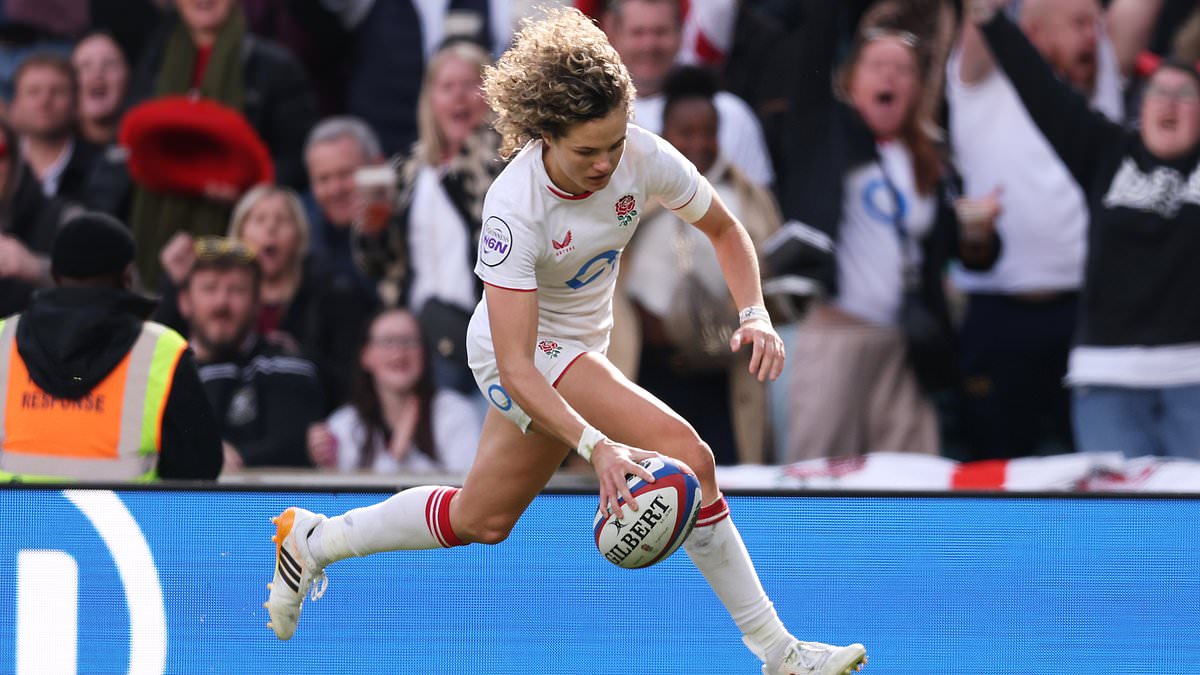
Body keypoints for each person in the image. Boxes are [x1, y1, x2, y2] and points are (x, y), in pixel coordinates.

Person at [262, 9, 867, 675]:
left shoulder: (642, 155)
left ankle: (314, 541)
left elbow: (724, 230)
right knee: (690, 456)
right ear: (546, 134)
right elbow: (519, 364)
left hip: (578, 347)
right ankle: (781, 653)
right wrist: (597, 446)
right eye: (587, 151)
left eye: (614, 143)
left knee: (481, 519)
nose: (606, 163)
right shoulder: (513, 208)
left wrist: (754, 312)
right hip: (516, 353)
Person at [763, 0, 1000, 460]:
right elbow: (813, 50)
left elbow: (956, 254)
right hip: (837, 337)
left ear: (917, 87)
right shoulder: (823, 135)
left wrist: (980, 237)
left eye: (903, 69)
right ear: (851, 80)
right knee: (821, 475)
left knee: (909, 476)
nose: (889, 76)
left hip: (903, 346)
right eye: (877, 66)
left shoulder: (929, 160)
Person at [968, 1, 1200, 459]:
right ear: (1141, 107)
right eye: (1158, 92)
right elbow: (1040, 87)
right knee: (1117, 506)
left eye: (1187, 95)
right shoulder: (1106, 151)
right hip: (1107, 378)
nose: (1170, 102)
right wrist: (991, 19)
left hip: (1192, 378)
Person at [621, 65, 781, 465]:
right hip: (649, 372)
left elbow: (770, 276)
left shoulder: (746, 198)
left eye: (709, 131)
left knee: (723, 473)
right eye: (686, 132)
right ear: (664, 134)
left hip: (722, 375)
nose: (699, 143)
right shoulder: (632, 194)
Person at [0, 212, 222, 481]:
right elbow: (201, 471)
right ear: (127, 276)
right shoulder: (163, 352)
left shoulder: (3, 339)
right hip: (124, 511)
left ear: (55, 275)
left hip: (16, 510)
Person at [126, 0, 318, 286]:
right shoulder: (154, 59)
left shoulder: (274, 66)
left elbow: (297, 155)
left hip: (238, 233)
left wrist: (249, 192)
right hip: (158, 219)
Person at [353, 39, 502, 396]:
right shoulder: (408, 170)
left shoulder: (504, 161)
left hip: (486, 333)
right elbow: (379, 266)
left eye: (470, 85)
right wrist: (371, 233)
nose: (459, 97)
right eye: (447, 87)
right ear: (430, 100)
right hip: (417, 337)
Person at [158, 185, 374, 410]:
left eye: (282, 220)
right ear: (239, 234)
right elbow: (164, 350)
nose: (270, 229)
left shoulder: (332, 295)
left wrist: (302, 357)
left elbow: (352, 379)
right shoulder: (212, 297)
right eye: (259, 220)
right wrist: (173, 284)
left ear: (300, 236)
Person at [179, 236, 325, 470]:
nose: (222, 303)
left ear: (258, 303)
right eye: (209, 288)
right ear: (185, 302)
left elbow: (292, 444)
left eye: (237, 290)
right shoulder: (162, 372)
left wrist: (236, 457)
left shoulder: (286, 364)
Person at [602, 0, 775, 188]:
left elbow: (757, 200)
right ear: (614, 35)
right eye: (638, 32)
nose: (649, 45)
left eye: (661, 32)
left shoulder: (730, 114)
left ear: (681, 33)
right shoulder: (597, 115)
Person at [307, 308, 482, 474]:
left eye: (409, 341)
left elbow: (467, 488)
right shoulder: (344, 425)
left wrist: (402, 455)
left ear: (425, 354)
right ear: (365, 355)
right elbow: (341, 495)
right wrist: (329, 468)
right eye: (387, 342)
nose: (399, 353)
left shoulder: (456, 413)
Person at [0, 117, 78, 318]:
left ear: (16, 159)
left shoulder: (64, 219)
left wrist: (36, 268)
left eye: (0, 152)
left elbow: (125, 287)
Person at [302, 116, 383, 298]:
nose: (335, 189)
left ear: (378, 166)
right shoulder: (301, 242)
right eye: (323, 179)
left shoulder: (406, 228)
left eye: (346, 174)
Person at [7, 53, 99, 204]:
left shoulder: (100, 165)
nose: (44, 101)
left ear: (75, 102)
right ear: (16, 103)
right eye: (33, 92)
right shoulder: (4, 161)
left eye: (57, 91)